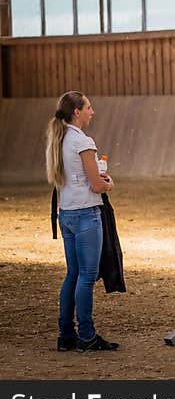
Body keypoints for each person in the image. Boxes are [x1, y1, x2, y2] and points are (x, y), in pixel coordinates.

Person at [46, 91, 119, 351]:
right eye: (88, 107)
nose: (92, 111)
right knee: (87, 277)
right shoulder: (83, 141)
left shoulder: (60, 138)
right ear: (77, 112)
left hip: (66, 214)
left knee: (73, 275)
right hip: (87, 213)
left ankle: (65, 334)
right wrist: (109, 184)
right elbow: (97, 184)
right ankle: (86, 335)